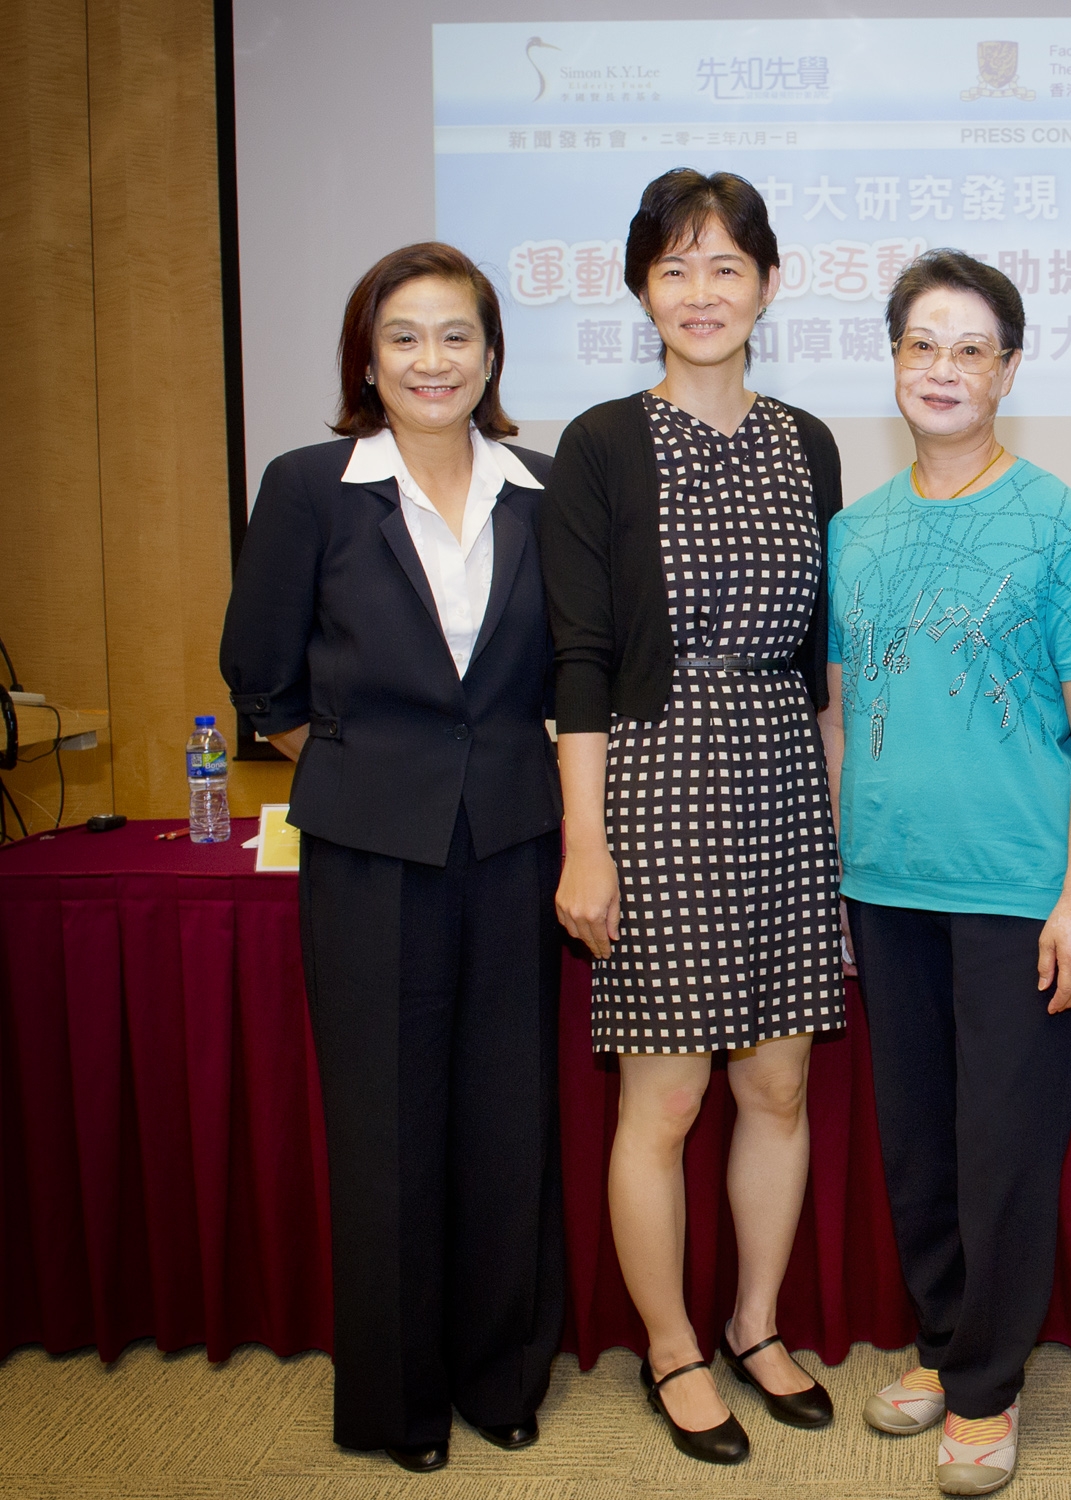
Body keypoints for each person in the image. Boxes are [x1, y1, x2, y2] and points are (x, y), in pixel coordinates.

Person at [220, 243, 564, 1473]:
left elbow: (567, 673)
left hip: (519, 841)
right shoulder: (312, 485)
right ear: (368, 357)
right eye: (406, 337)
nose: (434, 360)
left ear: (491, 354)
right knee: (387, 1128)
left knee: (508, 1119)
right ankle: (398, 1404)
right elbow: (259, 673)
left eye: (457, 335)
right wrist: (368, 767)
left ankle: (501, 1378)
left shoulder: (544, 484)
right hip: (371, 852)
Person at [538, 169, 843, 1466]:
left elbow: (825, 666)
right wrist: (584, 843)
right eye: (675, 268)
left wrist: (837, 836)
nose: (701, 291)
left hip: (781, 776)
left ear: (767, 284)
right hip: (652, 783)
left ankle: (755, 1324)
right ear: (640, 291)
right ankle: (671, 1346)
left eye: (726, 266)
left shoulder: (808, 441)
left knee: (776, 1085)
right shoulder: (602, 444)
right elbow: (579, 663)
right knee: (661, 1103)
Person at [831, 250, 1071, 1496]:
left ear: (1010, 367)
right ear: (893, 362)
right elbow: (843, 714)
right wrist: (842, 876)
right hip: (886, 885)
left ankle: (988, 1387)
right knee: (920, 1143)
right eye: (921, 346)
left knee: (1004, 1145)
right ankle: (949, 1343)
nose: (943, 370)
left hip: (1017, 886)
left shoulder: (1066, 524)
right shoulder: (855, 529)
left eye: (970, 349)